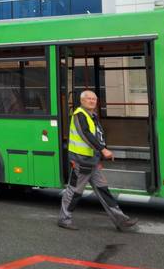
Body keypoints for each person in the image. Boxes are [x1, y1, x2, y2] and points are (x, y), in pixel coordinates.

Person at [58, 89, 138, 232]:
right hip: (81, 160)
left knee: (103, 191)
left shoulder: (92, 115)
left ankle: (121, 220)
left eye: (94, 99)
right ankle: (64, 219)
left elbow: (98, 136)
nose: (92, 101)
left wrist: (98, 156)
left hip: (92, 161)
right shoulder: (79, 114)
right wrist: (103, 150)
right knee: (74, 191)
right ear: (82, 101)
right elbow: (86, 134)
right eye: (88, 98)